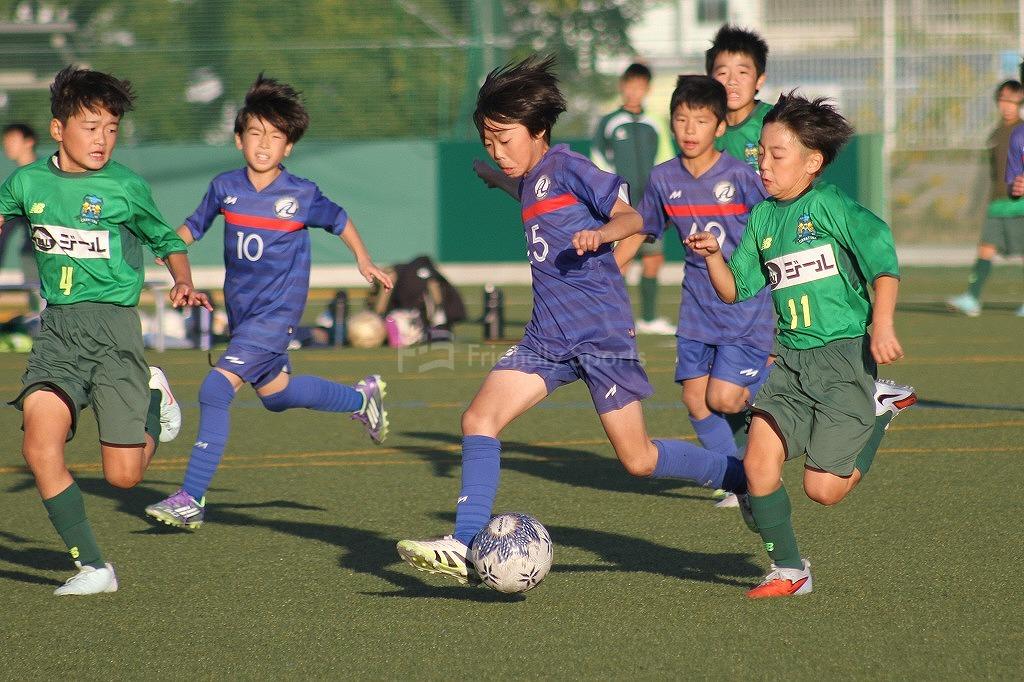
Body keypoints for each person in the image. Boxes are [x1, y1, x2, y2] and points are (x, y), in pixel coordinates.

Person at [396, 55, 751, 585]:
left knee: (638, 460)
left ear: (538, 130)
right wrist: (496, 179)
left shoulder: (568, 166)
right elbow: (533, 193)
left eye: (504, 139)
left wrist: (601, 235)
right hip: (546, 338)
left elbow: (632, 217)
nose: (497, 150)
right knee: (478, 420)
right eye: (488, 142)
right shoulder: (531, 178)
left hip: (600, 334)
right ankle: (464, 543)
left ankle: (740, 474)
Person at [685, 92, 917, 598]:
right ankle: (791, 570)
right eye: (760, 154)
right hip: (790, 362)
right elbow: (735, 290)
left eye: (776, 155)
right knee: (757, 466)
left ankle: (879, 409)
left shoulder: (830, 206)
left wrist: (882, 325)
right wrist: (713, 256)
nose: (763, 165)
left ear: (812, 162)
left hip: (842, 360)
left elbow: (883, 263)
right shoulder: (763, 218)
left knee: (823, 490)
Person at [145, 74, 393, 530]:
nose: (264, 143)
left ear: (289, 147)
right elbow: (190, 229)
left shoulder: (301, 194)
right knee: (277, 395)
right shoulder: (224, 187)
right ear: (239, 139)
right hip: (243, 317)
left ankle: (191, 498)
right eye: (256, 133)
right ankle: (361, 399)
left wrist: (364, 260)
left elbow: (339, 219)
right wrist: (163, 248)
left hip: (277, 316)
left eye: (276, 136)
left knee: (215, 389)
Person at [0, 65, 209, 595]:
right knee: (38, 446)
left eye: (111, 129)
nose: (102, 139)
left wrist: (183, 281)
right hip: (58, 331)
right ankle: (94, 567)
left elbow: (167, 240)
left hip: (115, 332)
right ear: (58, 129)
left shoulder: (125, 186)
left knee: (123, 477)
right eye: (91, 127)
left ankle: (152, 398)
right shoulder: (26, 182)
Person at [615, 76, 773, 511]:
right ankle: (740, 482)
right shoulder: (663, 178)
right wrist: (609, 269)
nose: (689, 129)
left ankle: (793, 389)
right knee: (695, 400)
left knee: (723, 398)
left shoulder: (740, 176)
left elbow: (772, 229)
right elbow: (643, 229)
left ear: (720, 127)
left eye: (700, 121)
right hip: (696, 311)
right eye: (681, 119)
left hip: (743, 307)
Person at [592, 63, 673, 335]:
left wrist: (663, 198)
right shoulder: (609, 122)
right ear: (622, 87)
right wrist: (609, 197)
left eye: (640, 87)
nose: (634, 92)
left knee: (653, 259)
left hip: (651, 206)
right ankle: (618, 320)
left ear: (647, 89)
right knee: (620, 262)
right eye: (630, 86)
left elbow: (665, 160)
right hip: (621, 208)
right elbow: (599, 161)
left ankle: (649, 319)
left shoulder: (655, 122)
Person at [950, 79, 1024, 317]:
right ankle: (972, 298)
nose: (1007, 105)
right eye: (1003, 100)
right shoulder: (995, 133)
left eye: (1013, 101)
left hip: (1019, 205)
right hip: (998, 203)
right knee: (986, 248)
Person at [706, 25, 772, 172]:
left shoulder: (775, 122)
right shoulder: (704, 126)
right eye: (722, 73)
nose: (732, 81)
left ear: (759, 80)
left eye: (742, 72)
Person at [1, 123, 42, 313]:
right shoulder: (15, 182)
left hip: (53, 252)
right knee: (36, 307)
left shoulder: (45, 176)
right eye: (5, 140)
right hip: (30, 254)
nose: (7, 144)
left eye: (12, 139)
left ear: (29, 142)